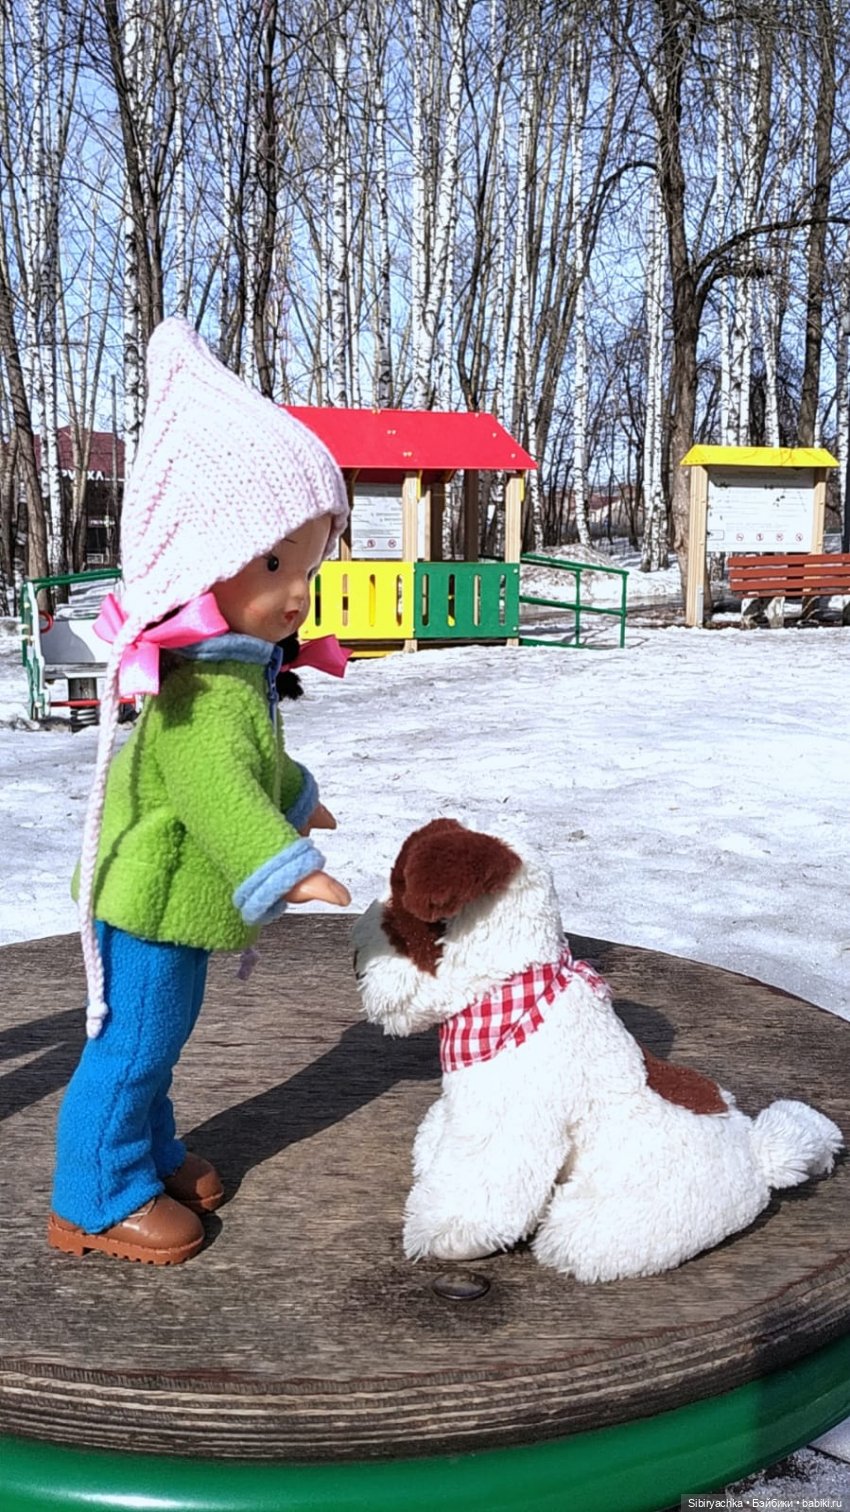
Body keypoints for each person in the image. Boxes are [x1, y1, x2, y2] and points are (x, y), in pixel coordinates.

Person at [47, 316, 351, 1266]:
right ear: (198, 562)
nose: (297, 592)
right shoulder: (197, 696)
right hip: (150, 898)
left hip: (175, 897)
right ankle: (93, 1194)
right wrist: (287, 865)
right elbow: (217, 787)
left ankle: (146, 1149)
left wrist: (299, 797)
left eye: (306, 567)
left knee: (160, 1034)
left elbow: (254, 768)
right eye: (274, 566)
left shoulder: (233, 675)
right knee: (134, 1040)